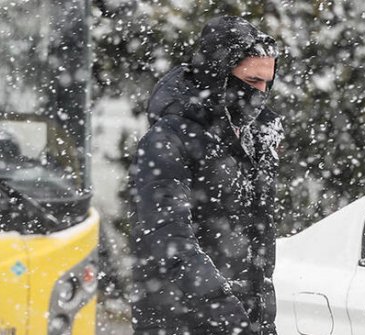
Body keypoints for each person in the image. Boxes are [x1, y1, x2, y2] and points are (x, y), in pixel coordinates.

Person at [129, 16, 283, 335]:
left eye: (267, 84)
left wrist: (260, 320)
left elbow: (256, 237)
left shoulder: (256, 138)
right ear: (219, 75)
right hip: (180, 322)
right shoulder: (168, 141)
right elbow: (167, 239)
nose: (261, 93)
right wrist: (225, 313)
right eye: (252, 81)